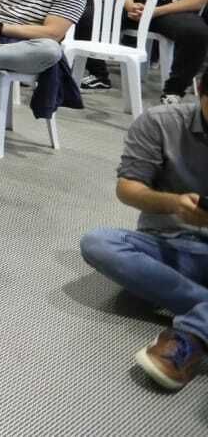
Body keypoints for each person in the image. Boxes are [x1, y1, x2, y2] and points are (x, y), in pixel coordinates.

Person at [78, 84, 208, 391]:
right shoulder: (160, 122)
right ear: (201, 94)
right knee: (98, 243)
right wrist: (174, 204)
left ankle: (193, 332)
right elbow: (128, 189)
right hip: (167, 244)